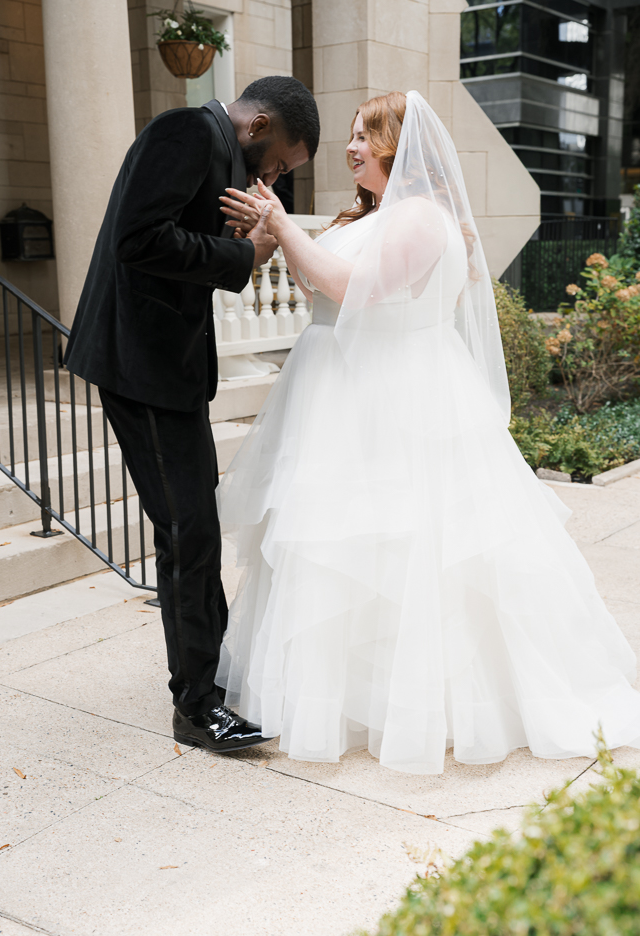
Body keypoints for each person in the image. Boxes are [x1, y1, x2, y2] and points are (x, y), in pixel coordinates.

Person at [215, 89, 640, 775]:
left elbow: (355, 290)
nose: (350, 147)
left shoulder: (419, 218)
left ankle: (423, 701)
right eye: (352, 135)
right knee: (334, 541)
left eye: (362, 135)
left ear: (396, 145)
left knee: (404, 541)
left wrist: (284, 226)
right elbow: (317, 285)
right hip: (337, 386)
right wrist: (278, 233)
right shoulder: (377, 214)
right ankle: (343, 695)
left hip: (388, 393)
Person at [64, 77, 320, 753]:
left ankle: (214, 677)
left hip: (166, 370)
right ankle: (197, 705)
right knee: (188, 532)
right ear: (259, 125)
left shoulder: (212, 150)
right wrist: (245, 252)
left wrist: (224, 232)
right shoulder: (184, 131)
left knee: (194, 525)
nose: (273, 179)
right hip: (138, 365)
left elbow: (168, 239)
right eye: (281, 164)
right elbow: (137, 239)